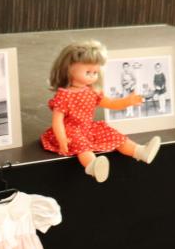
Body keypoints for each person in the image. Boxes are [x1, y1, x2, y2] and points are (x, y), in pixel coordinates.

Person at [39, 40, 160, 183]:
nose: (93, 76)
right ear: (69, 69)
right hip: (70, 132)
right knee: (81, 146)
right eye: (88, 72)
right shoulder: (64, 95)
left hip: (88, 128)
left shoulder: (92, 92)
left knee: (114, 135)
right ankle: (93, 166)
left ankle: (140, 151)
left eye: (95, 72)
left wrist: (128, 101)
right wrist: (62, 139)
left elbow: (111, 104)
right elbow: (57, 121)